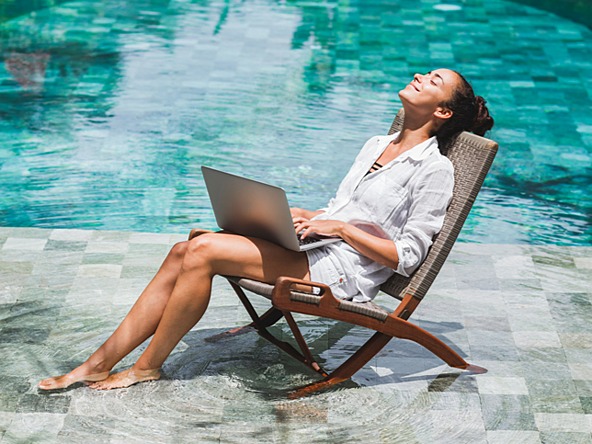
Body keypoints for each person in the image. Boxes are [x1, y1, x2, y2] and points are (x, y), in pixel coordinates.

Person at [38, 68, 493, 391]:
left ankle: (147, 367)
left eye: (434, 81)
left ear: (444, 113)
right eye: (426, 73)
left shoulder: (434, 170)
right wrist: (308, 216)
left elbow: (408, 256)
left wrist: (336, 226)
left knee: (202, 254)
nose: (420, 77)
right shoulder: (379, 143)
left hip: (340, 273)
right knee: (186, 247)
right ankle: (99, 364)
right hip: (318, 245)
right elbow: (346, 209)